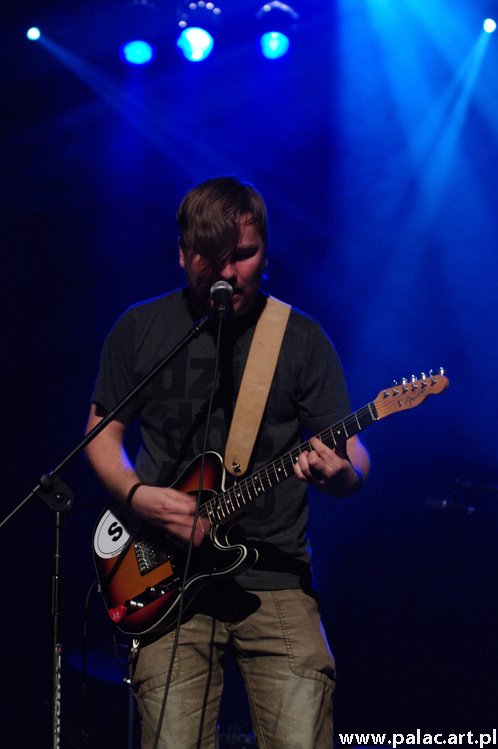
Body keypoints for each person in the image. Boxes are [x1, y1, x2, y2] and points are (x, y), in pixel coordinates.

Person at [85, 175, 370, 749]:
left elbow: (352, 453)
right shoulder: (141, 328)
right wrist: (139, 496)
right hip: (164, 580)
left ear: (266, 251)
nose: (229, 273)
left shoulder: (300, 338)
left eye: (244, 255)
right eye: (210, 257)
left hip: (276, 578)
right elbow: (99, 432)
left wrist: (342, 473)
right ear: (183, 254)